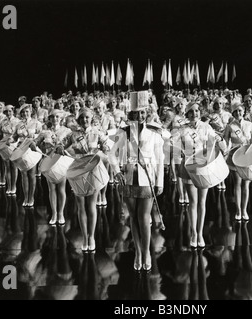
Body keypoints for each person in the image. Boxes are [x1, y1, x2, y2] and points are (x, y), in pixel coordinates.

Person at [109, 91, 164, 271]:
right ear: (130, 114)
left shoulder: (154, 132)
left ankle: (147, 252)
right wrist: (117, 172)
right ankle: (138, 253)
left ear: (146, 114)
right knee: (133, 217)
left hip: (147, 177)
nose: (140, 116)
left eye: (142, 113)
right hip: (128, 177)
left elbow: (160, 158)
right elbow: (111, 154)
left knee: (144, 217)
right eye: (136, 113)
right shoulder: (123, 132)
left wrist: (159, 181)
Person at [172, 101, 228, 248]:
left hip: (204, 166)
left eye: (197, 111)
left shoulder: (206, 127)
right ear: (187, 113)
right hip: (189, 167)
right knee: (193, 202)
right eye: (192, 111)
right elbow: (171, 144)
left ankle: (200, 232)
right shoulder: (182, 129)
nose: (195, 113)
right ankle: (193, 233)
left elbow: (220, 145)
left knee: (202, 202)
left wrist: (219, 139)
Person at [56, 108, 109, 252]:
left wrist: (104, 150)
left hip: (93, 169)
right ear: (79, 120)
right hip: (78, 170)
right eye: (82, 118)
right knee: (80, 205)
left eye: (87, 117)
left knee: (91, 205)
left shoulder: (97, 133)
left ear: (91, 118)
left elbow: (107, 147)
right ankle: (84, 237)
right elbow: (61, 145)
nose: (85, 120)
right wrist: (60, 148)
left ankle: (91, 237)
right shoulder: (73, 134)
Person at [30, 110, 72, 225]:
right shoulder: (45, 132)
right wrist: (33, 144)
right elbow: (35, 141)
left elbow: (73, 144)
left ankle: (61, 213)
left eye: (57, 117)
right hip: (49, 162)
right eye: (52, 117)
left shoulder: (67, 131)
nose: (55, 119)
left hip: (62, 161)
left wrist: (65, 149)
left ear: (61, 118)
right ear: (49, 119)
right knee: (51, 188)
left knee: (61, 188)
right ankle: (54, 213)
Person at [224, 103, 252, 220]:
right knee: (237, 184)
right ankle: (238, 210)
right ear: (233, 113)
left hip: (247, 156)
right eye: (236, 112)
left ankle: (244, 210)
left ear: (243, 112)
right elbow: (225, 142)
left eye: (240, 111)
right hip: (234, 157)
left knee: (246, 185)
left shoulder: (250, 125)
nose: (238, 113)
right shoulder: (229, 126)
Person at [7, 104, 43, 206]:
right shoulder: (18, 124)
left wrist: (35, 142)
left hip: (31, 150)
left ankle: (31, 198)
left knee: (31, 175)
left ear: (30, 111)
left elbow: (41, 136)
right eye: (23, 112)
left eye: (27, 111)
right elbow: (14, 137)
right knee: (23, 174)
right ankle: (26, 197)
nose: (25, 114)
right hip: (21, 150)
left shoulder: (37, 123)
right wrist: (10, 140)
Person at [0, 105, 20, 194]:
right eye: (6, 112)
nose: (8, 113)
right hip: (4, 145)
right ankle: (9, 186)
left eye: (10, 111)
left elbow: (19, 135)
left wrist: (13, 140)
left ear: (13, 111)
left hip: (13, 144)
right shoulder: (2, 121)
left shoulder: (17, 121)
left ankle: (14, 186)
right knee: (7, 166)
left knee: (13, 166)